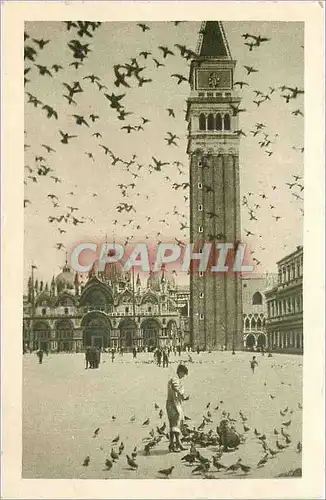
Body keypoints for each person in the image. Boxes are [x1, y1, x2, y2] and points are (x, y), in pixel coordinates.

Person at [166, 364, 189, 452]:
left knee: (174, 425)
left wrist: (182, 397)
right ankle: (175, 444)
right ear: (180, 372)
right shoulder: (175, 379)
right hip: (173, 404)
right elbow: (175, 388)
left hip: (174, 403)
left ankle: (174, 444)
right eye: (183, 374)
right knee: (174, 425)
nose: (184, 376)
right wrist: (182, 393)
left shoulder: (176, 379)